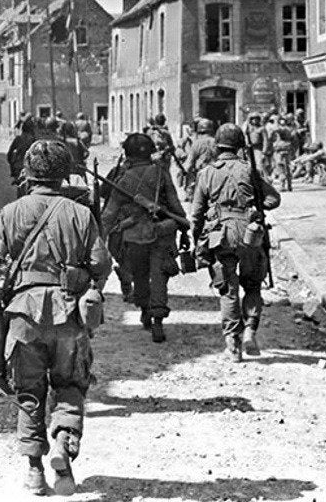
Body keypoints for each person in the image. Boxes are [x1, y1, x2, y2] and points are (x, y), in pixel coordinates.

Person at [0, 139, 111, 496]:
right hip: (69, 315)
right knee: (70, 384)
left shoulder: (10, 213)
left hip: (23, 317)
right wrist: (90, 286)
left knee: (29, 392)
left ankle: (34, 472)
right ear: (66, 174)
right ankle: (63, 444)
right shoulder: (81, 214)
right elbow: (102, 263)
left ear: (27, 173)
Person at [190, 123, 281, 362]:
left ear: (218, 147)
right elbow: (273, 199)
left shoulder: (207, 173)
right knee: (252, 284)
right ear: (240, 146)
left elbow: (197, 213)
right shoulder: (249, 170)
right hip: (250, 232)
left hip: (221, 234)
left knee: (227, 288)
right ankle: (250, 329)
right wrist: (256, 205)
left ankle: (233, 344)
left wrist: (196, 239)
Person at [101, 132, 187, 343]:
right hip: (161, 232)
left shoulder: (124, 179)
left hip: (134, 236)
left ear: (127, 154)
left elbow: (109, 213)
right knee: (159, 275)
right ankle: (158, 320)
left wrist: (99, 238)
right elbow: (175, 204)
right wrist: (183, 226)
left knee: (140, 275)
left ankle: (145, 309)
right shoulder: (160, 173)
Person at [180, 118, 218, 201]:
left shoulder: (197, 143)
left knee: (197, 207)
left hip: (201, 178)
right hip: (216, 178)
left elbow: (189, 164)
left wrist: (184, 177)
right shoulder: (217, 142)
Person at [8, 118, 37, 193]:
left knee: (19, 186)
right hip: (31, 167)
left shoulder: (18, 139)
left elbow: (10, 153)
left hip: (19, 166)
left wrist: (11, 164)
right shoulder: (34, 140)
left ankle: (16, 179)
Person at [269, 115, 296, 192]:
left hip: (280, 149)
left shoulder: (283, 129)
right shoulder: (290, 129)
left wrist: (275, 121)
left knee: (281, 167)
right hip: (285, 149)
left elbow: (277, 131)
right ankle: (289, 185)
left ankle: (283, 185)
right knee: (286, 168)